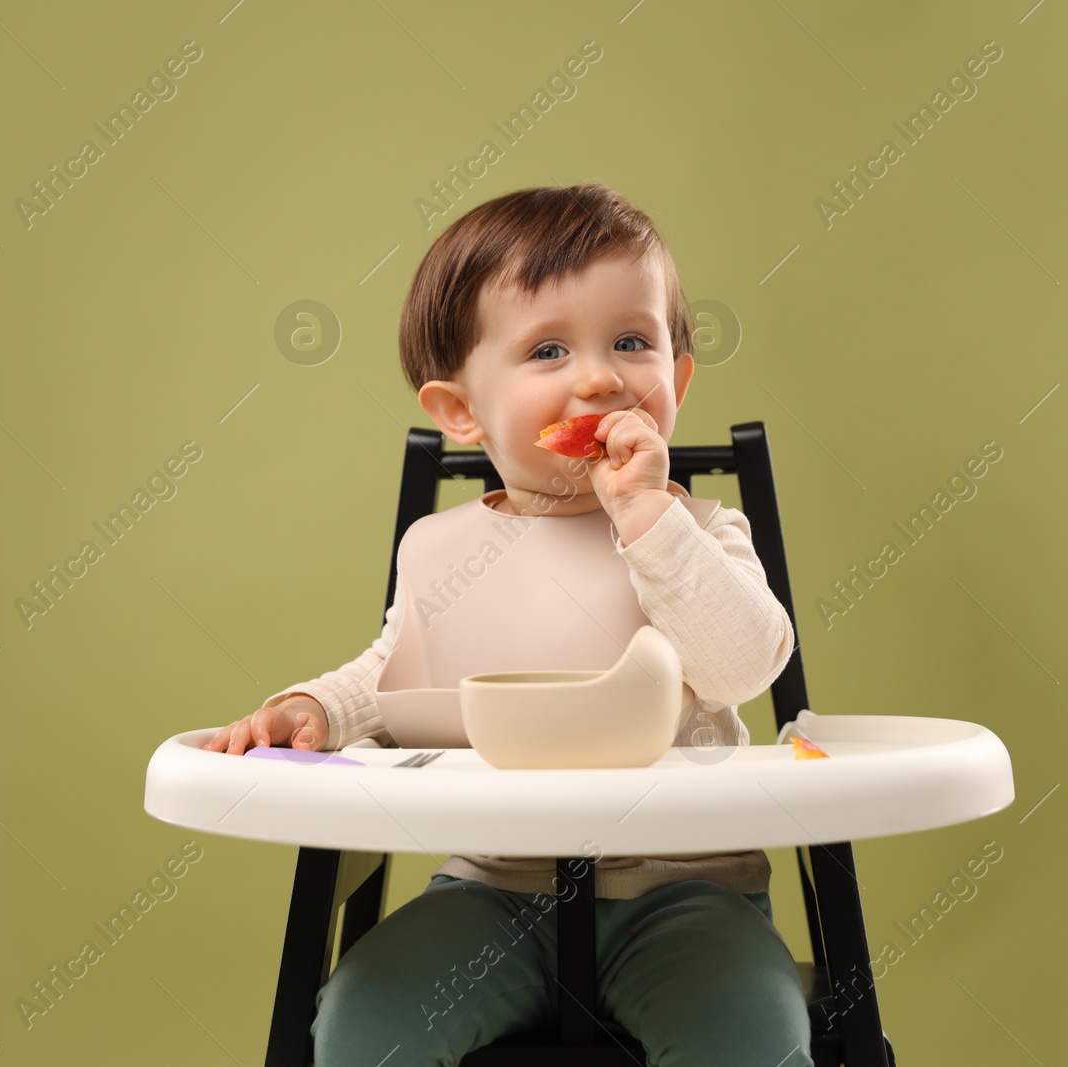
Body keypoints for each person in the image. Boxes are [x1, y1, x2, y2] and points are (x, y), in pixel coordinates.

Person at [204, 182, 813, 1066]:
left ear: (676, 381)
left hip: (685, 892)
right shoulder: (448, 551)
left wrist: (648, 519)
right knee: (363, 1020)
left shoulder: (700, 533)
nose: (600, 376)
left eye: (632, 342)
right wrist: (317, 711)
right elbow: (395, 673)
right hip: (494, 888)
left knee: (751, 1030)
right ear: (461, 411)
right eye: (550, 349)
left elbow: (743, 663)